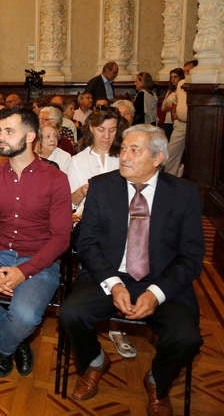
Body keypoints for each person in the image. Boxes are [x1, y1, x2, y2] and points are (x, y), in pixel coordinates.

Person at [60, 125, 204, 414]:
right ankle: (94, 361)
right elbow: (87, 244)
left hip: (162, 280)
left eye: (133, 150)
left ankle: (158, 381)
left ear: (157, 158)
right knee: (70, 313)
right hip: (110, 274)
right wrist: (113, 283)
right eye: (123, 148)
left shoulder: (185, 194)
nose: (123, 155)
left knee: (187, 337)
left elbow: (191, 256)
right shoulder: (102, 186)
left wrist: (156, 292)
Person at [0, 107, 72, 378]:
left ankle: (6, 346)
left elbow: (61, 238)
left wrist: (24, 271)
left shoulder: (56, 180)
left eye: (10, 131)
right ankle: (17, 340)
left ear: (31, 136)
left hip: (39, 259)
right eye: (1, 131)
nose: (2, 136)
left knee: (25, 316)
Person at [68, 108, 125, 210]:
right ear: (91, 128)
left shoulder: (124, 158)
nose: (107, 136)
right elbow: (70, 204)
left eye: (112, 130)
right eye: (101, 129)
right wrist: (82, 192)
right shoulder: (77, 161)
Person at [163, 69, 188, 176]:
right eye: (171, 77)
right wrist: (174, 110)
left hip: (181, 123)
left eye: (175, 77)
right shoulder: (172, 90)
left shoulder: (183, 86)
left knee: (173, 153)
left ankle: (170, 177)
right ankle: (169, 176)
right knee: (170, 152)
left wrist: (176, 111)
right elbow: (164, 107)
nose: (173, 79)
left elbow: (180, 113)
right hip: (172, 122)